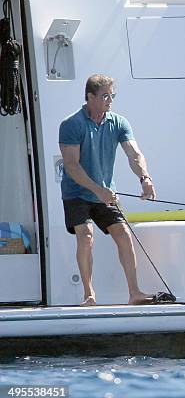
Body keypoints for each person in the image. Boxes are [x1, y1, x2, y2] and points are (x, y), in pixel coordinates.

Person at [59, 74, 156, 306]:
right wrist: (98, 189)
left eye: (112, 96)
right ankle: (88, 294)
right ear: (90, 97)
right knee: (86, 236)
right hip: (76, 192)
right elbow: (71, 165)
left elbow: (134, 154)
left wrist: (145, 177)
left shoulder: (118, 122)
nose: (109, 101)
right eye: (104, 96)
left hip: (105, 192)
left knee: (123, 234)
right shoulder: (71, 124)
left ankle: (134, 293)